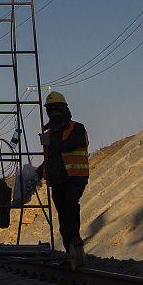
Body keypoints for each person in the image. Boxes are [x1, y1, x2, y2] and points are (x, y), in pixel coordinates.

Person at [34, 91, 89, 269]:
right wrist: (39, 172)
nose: (54, 114)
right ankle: (70, 253)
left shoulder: (77, 128)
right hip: (57, 182)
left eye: (57, 110)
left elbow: (73, 144)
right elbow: (51, 157)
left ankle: (75, 244)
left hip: (74, 179)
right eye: (51, 111)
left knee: (71, 209)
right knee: (64, 218)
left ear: (64, 109)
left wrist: (51, 144)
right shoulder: (49, 134)